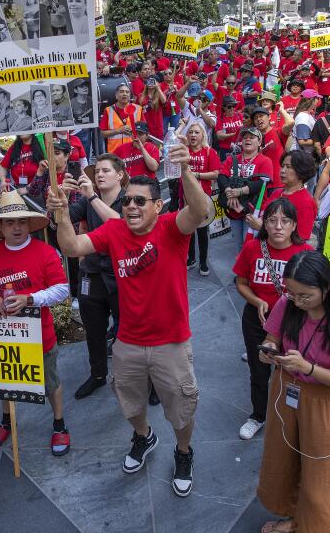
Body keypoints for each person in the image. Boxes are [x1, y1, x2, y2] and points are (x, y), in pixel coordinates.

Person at [48, 135, 208, 498]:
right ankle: (143, 437)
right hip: (128, 343)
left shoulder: (172, 228)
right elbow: (73, 247)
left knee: (181, 411)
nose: (131, 206)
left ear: (158, 205)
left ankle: (184, 452)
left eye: (140, 201)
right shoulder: (115, 230)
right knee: (130, 404)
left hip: (171, 342)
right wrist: (60, 213)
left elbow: (200, 212)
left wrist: (185, 170)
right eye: (127, 201)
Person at [257, 251, 330, 533]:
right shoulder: (288, 303)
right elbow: (271, 337)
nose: (297, 301)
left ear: (326, 287)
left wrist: (308, 368)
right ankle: (294, 519)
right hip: (285, 391)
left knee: (319, 473)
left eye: (305, 295)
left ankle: (315, 526)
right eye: (292, 293)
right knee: (282, 458)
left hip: (323, 402)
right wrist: (269, 350)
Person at [0, 191, 71, 455]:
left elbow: (61, 289)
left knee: (50, 382)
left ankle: (60, 425)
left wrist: (30, 298)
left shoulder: (45, 252)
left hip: (41, 334)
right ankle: (6, 421)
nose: (16, 227)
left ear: (29, 224)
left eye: (21, 221)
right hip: (4, 334)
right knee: (6, 379)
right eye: (9, 222)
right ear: (1, 227)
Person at [234, 199, 312, 441]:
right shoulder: (252, 248)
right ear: (264, 224)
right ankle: (258, 415)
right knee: (258, 369)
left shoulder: (306, 253)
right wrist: (257, 301)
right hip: (257, 319)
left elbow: (316, 290)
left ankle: (291, 415)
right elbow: (241, 283)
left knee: (291, 369)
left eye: (285, 221)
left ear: (294, 225)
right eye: (272, 220)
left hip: (294, 322)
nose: (278, 226)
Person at [68, 154, 126, 399]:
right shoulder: (88, 201)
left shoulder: (130, 199)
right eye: (97, 172)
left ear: (120, 175)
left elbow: (119, 225)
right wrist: (58, 203)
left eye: (105, 171)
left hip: (123, 275)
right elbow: (64, 219)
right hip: (92, 274)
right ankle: (98, 375)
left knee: (131, 331)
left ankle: (150, 382)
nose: (99, 175)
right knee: (93, 330)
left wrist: (91, 196)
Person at [218, 127, 275, 250]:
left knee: (249, 245)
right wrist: (229, 191)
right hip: (233, 209)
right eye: (245, 137)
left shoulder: (265, 161)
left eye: (252, 137)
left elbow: (261, 183)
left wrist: (240, 191)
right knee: (239, 245)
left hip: (253, 211)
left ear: (259, 142)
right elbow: (222, 176)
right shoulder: (231, 159)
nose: (247, 139)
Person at [250, 151, 318, 242]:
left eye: (288, 167)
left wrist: (262, 228)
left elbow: (301, 238)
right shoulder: (277, 193)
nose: (282, 170)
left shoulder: (306, 202)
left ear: (301, 171)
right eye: (282, 166)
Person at [183, 121, 220, 274]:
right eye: (190, 132)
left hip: (203, 196)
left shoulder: (209, 152)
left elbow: (216, 173)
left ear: (203, 135)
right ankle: (191, 258)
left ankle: (203, 262)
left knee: (202, 231)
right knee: (189, 229)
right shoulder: (184, 150)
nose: (193, 135)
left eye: (196, 132)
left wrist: (196, 175)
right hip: (185, 195)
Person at [100, 83, 144, 153]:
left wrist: (135, 132)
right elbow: (103, 133)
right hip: (115, 152)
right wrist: (118, 130)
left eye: (127, 92)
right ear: (116, 95)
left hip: (134, 151)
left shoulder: (138, 109)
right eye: (121, 91)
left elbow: (144, 132)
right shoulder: (108, 110)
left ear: (130, 95)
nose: (125, 94)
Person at [216, 95, 244, 163]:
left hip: (240, 148)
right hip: (226, 149)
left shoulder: (240, 116)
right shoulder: (220, 118)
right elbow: (219, 136)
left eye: (234, 106)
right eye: (229, 107)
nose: (232, 108)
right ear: (224, 107)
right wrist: (235, 134)